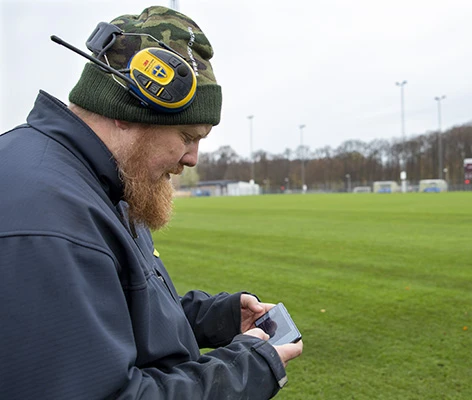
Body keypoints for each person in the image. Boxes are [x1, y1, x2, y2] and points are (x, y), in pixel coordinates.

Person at [0, 6, 302, 399]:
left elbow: (115, 310)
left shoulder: (104, 184)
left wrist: (217, 318)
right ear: (124, 112)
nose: (192, 158)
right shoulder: (48, 218)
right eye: (186, 135)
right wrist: (249, 367)